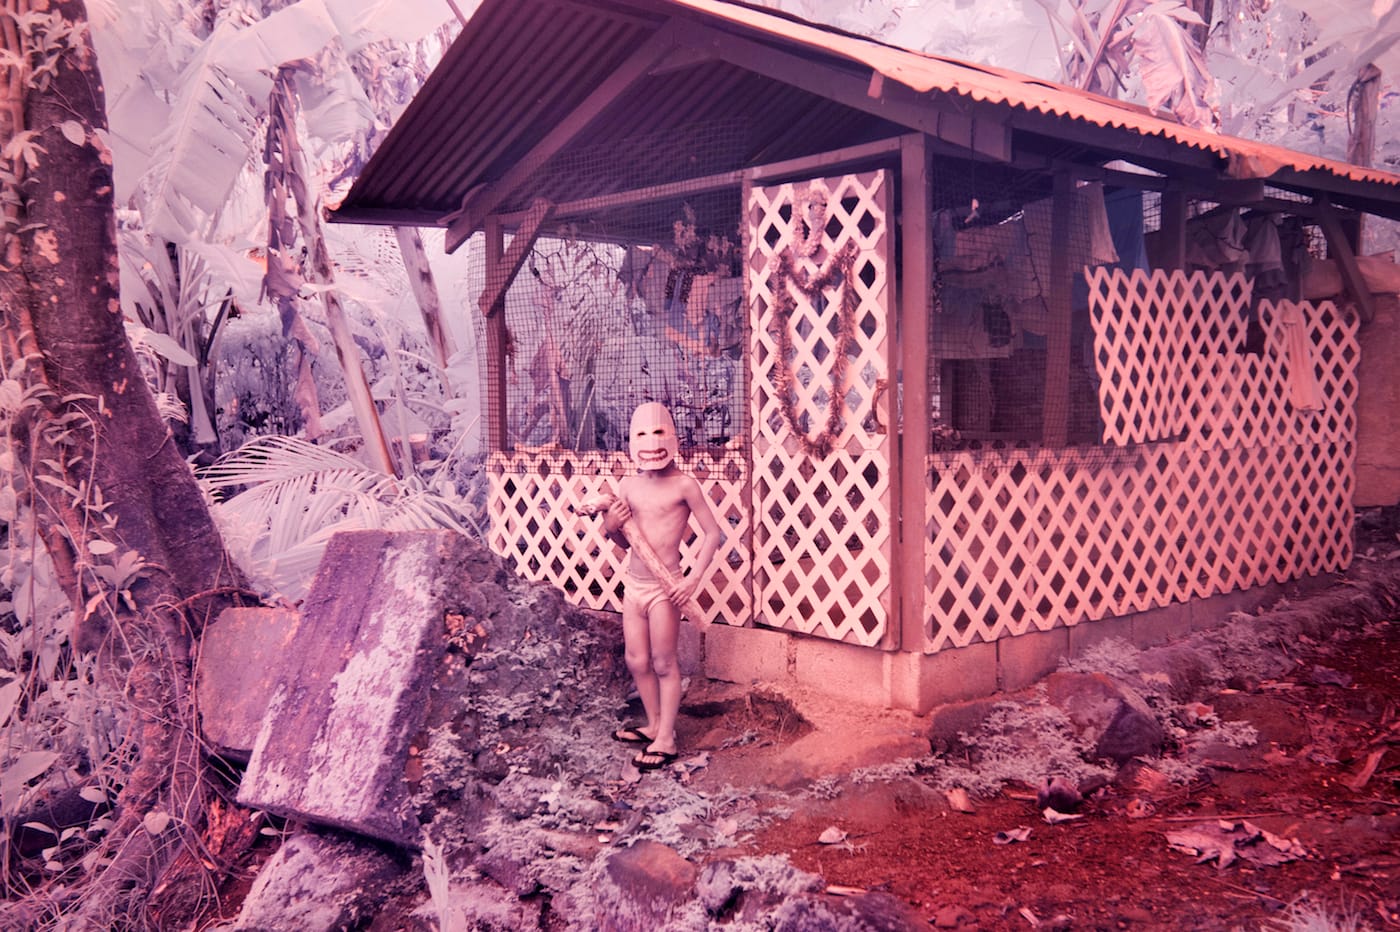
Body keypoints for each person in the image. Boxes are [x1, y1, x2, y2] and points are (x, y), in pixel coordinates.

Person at [603, 402, 722, 772]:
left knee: (663, 661)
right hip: (634, 586)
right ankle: (653, 725)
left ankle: (667, 739)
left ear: (673, 438)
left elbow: (713, 533)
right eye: (642, 434)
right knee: (636, 660)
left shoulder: (684, 485)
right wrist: (611, 524)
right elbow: (622, 541)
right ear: (631, 441)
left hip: (665, 589)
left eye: (658, 432)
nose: (651, 441)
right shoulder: (628, 485)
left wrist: (692, 579)